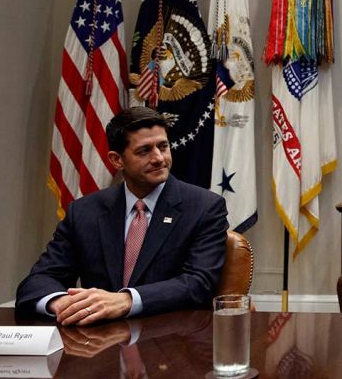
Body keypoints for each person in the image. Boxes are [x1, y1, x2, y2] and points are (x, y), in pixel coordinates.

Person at [16, 106, 228, 325]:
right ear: (117, 160)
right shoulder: (84, 212)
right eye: (144, 150)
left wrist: (126, 300)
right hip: (97, 343)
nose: (159, 158)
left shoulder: (204, 207)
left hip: (168, 340)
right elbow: (38, 281)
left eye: (163, 146)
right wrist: (62, 304)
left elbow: (199, 283)